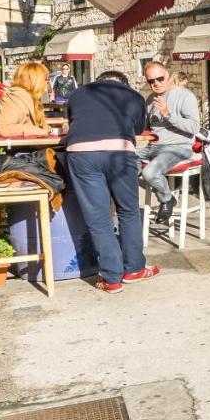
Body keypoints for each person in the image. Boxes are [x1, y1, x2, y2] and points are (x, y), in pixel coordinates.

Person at [64, 70, 159, 293]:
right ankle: (134, 269)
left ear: (98, 82)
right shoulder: (133, 96)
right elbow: (137, 129)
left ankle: (111, 278)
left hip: (81, 153)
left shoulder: (78, 93)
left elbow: (73, 122)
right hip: (120, 153)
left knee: (99, 218)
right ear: (123, 84)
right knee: (128, 211)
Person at [140, 62, 202, 223]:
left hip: (177, 147)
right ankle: (120, 209)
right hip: (152, 147)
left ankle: (167, 199)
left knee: (149, 173)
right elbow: (147, 129)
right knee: (119, 161)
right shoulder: (150, 99)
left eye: (160, 79)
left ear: (167, 76)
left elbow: (194, 127)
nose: (156, 83)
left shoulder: (184, 95)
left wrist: (168, 114)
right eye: (151, 81)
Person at [0, 61, 49, 137]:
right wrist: (38, 131)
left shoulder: (32, 98)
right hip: (20, 148)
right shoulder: (16, 98)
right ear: (35, 81)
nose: (47, 82)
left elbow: (42, 128)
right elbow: (4, 128)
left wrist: (53, 130)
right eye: (46, 79)